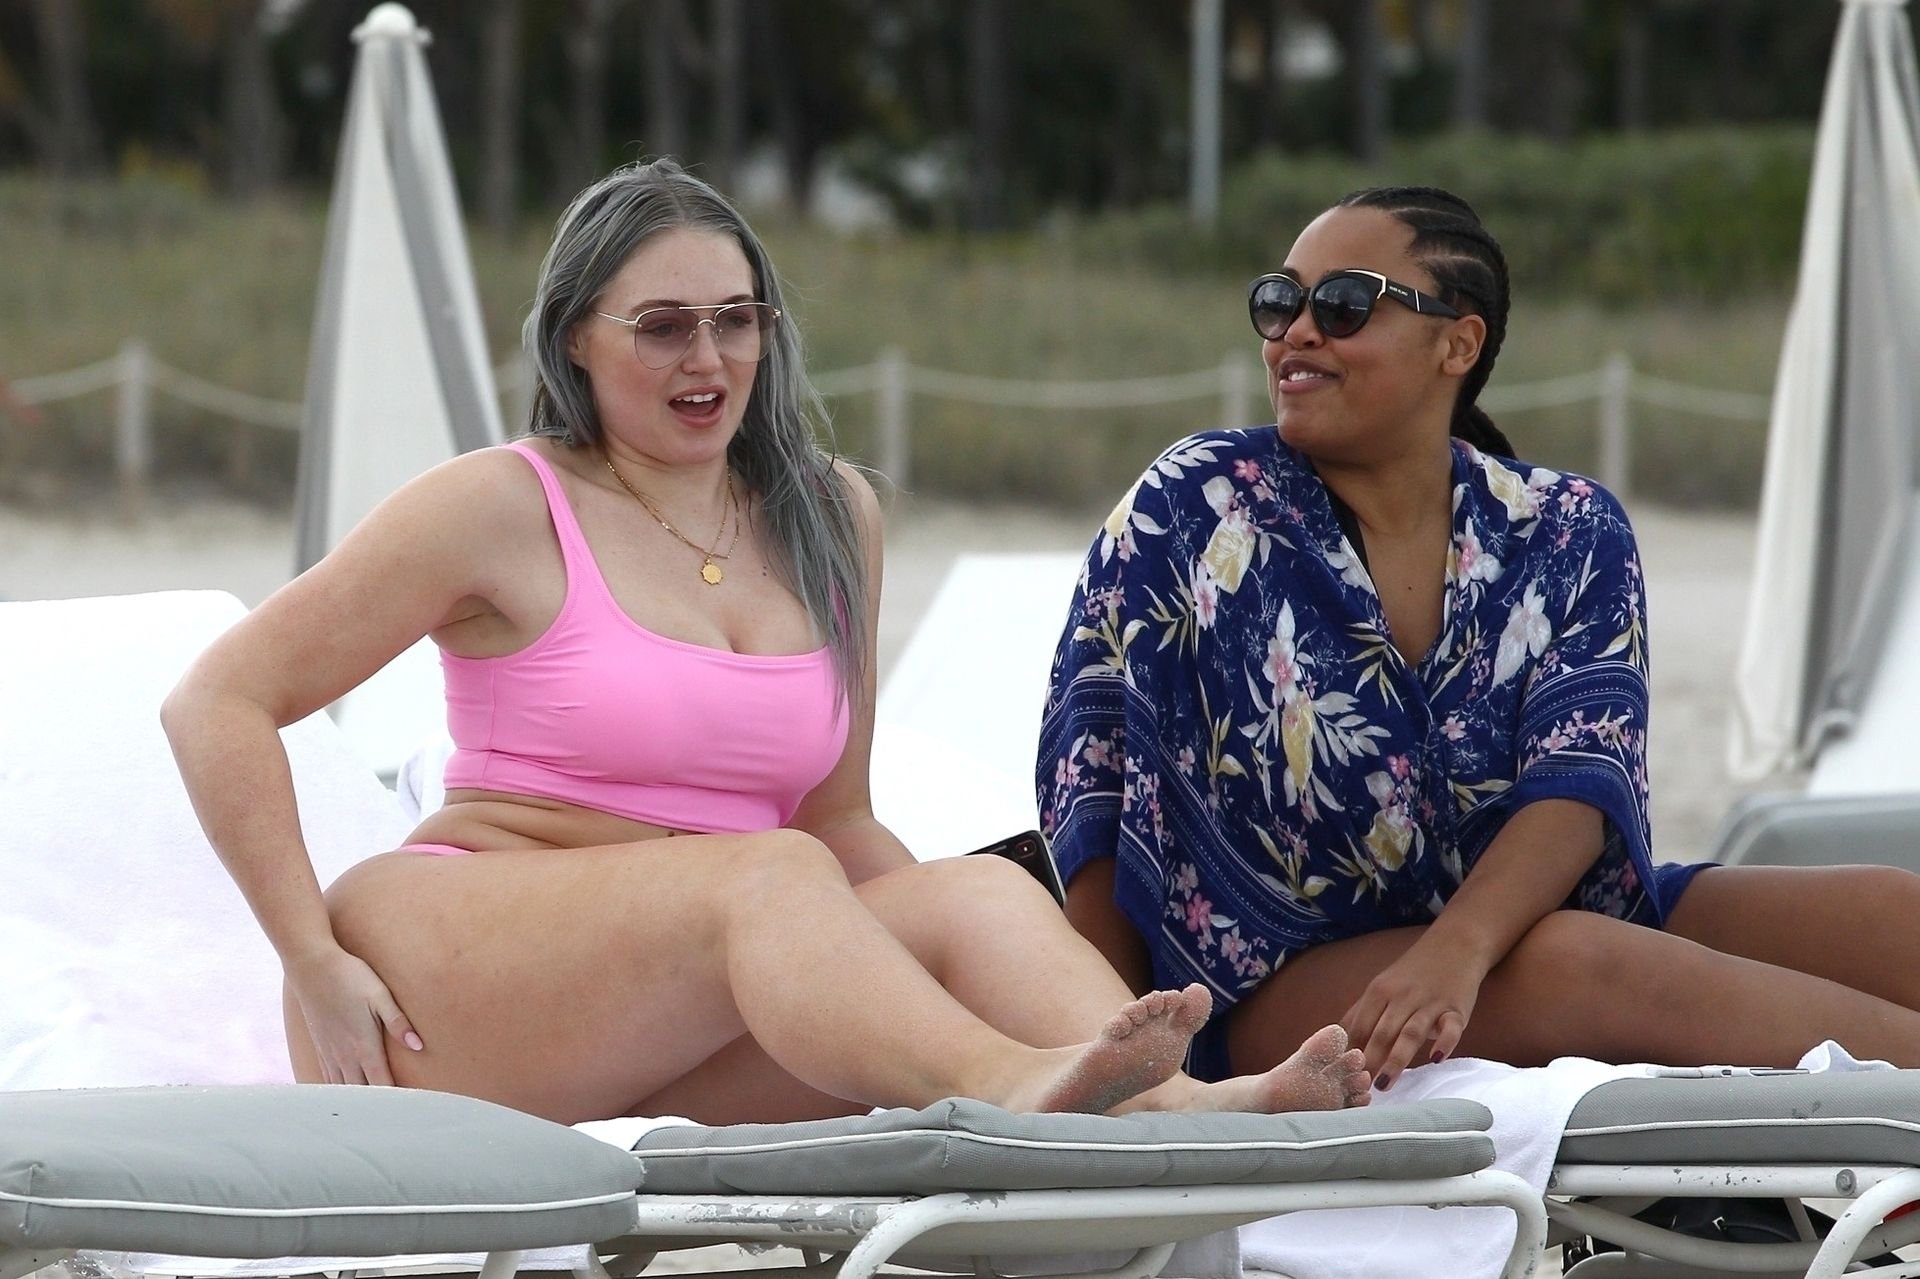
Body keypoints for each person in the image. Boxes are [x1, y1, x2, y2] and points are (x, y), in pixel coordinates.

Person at [162, 159, 1371, 1127]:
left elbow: (837, 819)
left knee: (975, 891)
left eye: (735, 320)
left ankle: (1184, 1107)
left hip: (690, 1000)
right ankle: (1013, 1085)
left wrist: (938, 936)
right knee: (770, 871)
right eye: (662, 327)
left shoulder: (830, 515)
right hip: (443, 979)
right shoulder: (499, 504)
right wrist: (310, 959)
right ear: (575, 337)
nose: (707, 359)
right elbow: (217, 700)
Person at [1040, 185, 1920, 1094]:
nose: (1296, 332)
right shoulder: (1196, 506)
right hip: (1267, 982)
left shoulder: (1566, 526)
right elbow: (1100, 782)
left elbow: (1577, 785)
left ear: (1457, 344)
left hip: (1516, 925)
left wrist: (1455, 952)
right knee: (1581, 962)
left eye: (1342, 304)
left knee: (1893, 912)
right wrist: (1124, 1067)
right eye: (1279, 301)